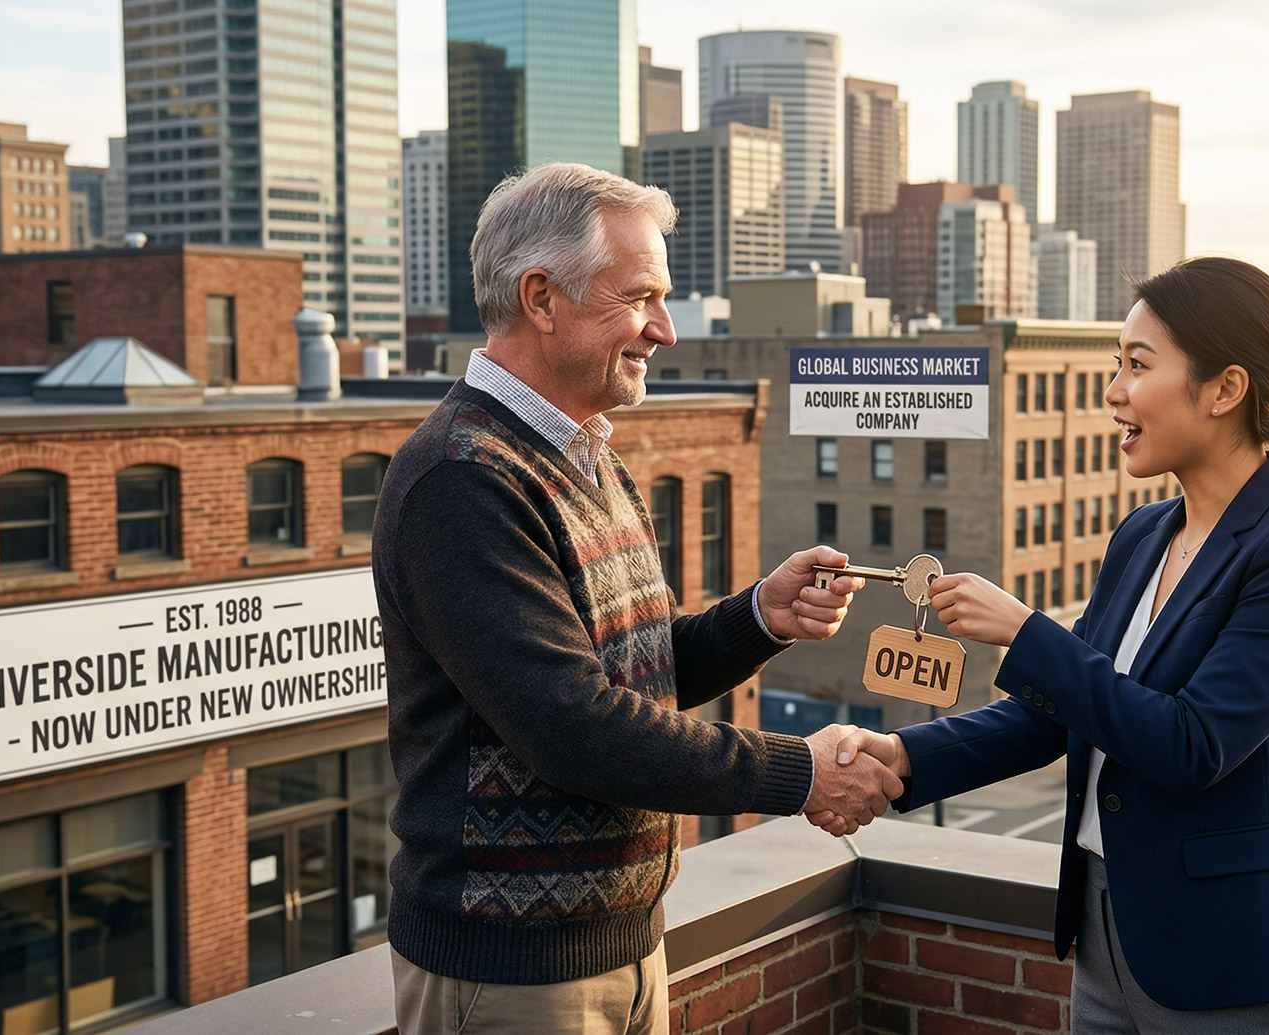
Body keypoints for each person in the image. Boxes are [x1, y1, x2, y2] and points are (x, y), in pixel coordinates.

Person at [375, 162, 901, 1034]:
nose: (663, 328)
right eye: (641, 297)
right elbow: (575, 728)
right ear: (541, 297)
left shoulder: (592, 458)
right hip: (512, 978)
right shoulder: (459, 479)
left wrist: (757, 619)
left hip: (623, 949)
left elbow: (630, 674)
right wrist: (800, 771)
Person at [820, 257, 1269, 1033]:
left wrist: (1026, 631)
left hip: (1232, 957)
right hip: (1105, 937)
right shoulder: (1144, 534)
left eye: (1138, 366)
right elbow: (1059, 714)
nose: (1113, 391)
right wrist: (903, 754)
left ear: (1225, 389)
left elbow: (1193, 744)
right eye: (1115, 365)